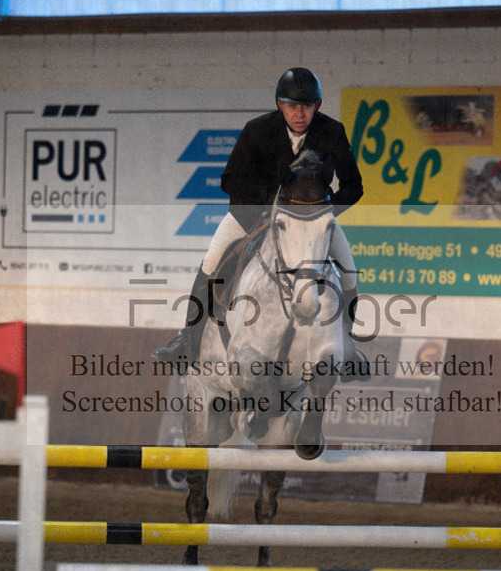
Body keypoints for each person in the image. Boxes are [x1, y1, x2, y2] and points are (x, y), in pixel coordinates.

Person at [153, 67, 370, 380]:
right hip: (251, 214)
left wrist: (322, 214)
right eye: (293, 106)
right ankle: (186, 341)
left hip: (311, 221)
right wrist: (268, 205)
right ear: (280, 105)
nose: (300, 113)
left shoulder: (332, 132)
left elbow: (354, 186)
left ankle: (347, 347)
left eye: (307, 107)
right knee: (211, 264)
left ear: (317, 106)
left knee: (347, 273)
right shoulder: (257, 130)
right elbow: (230, 180)